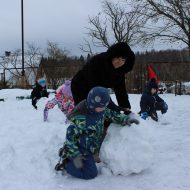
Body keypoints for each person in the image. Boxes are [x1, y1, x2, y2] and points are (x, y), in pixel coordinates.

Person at [55, 86, 139, 180]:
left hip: (90, 148)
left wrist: (125, 119)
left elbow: (111, 114)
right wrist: (75, 154)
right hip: (80, 150)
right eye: (101, 107)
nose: (103, 109)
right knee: (89, 173)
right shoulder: (81, 119)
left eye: (104, 106)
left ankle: (71, 157)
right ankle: (65, 163)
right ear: (92, 103)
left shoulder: (100, 110)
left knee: (85, 166)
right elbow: (70, 135)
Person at [71, 42, 135, 114]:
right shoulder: (98, 62)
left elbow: (121, 90)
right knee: (85, 112)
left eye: (123, 60)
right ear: (112, 56)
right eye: (117, 58)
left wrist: (126, 108)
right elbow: (96, 89)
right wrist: (111, 106)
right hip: (80, 86)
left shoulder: (120, 71)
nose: (119, 62)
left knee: (104, 112)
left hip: (96, 88)